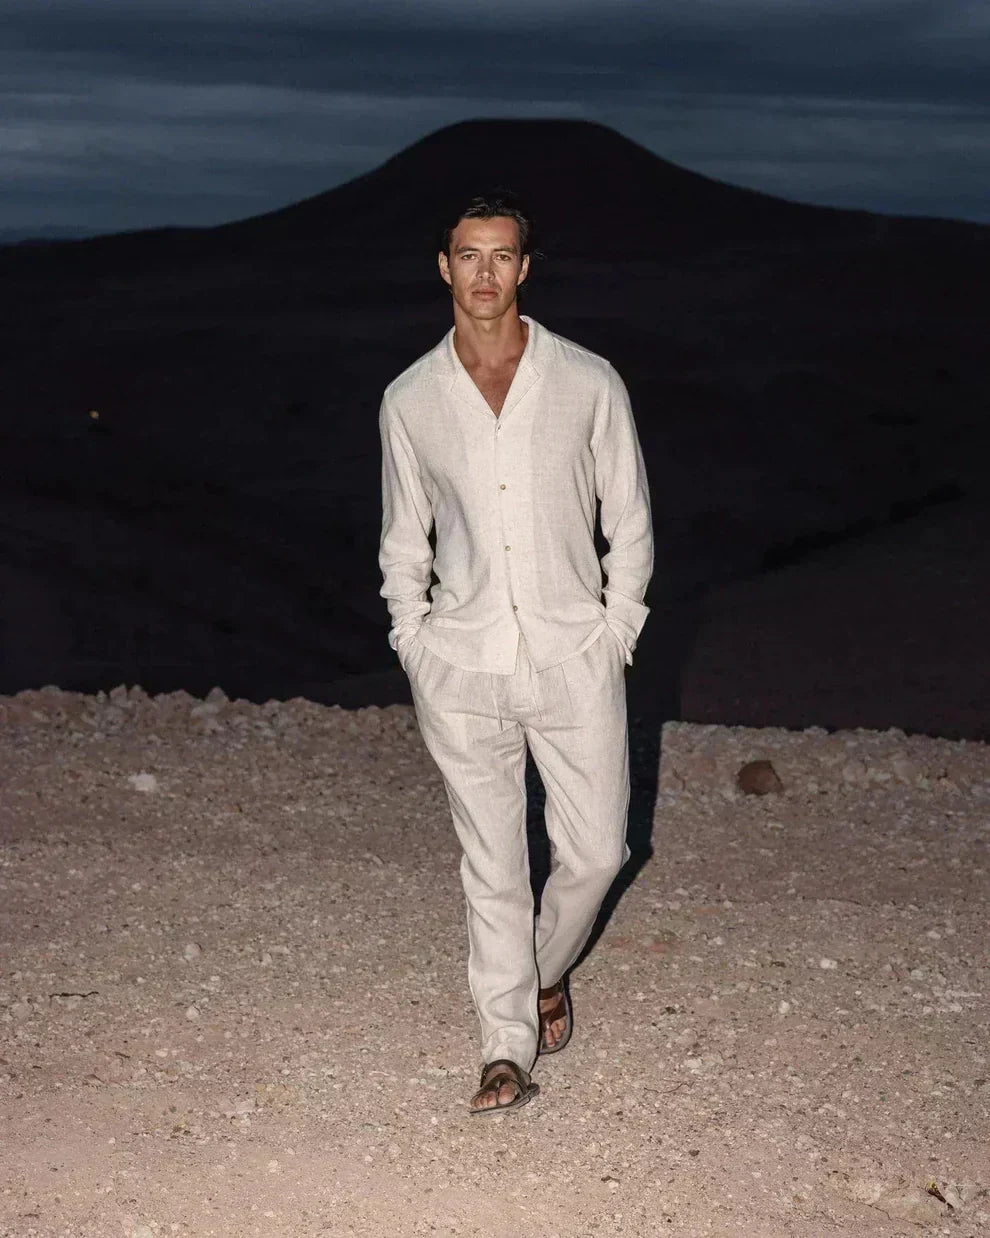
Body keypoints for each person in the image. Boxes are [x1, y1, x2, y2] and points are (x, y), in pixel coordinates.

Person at [378, 193, 653, 1114]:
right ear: (444, 267)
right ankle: (504, 1048)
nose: (486, 272)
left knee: (598, 852)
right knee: (492, 867)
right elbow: (403, 540)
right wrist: (414, 642)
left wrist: (616, 630)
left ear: (525, 269)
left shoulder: (587, 382)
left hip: (575, 657)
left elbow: (630, 519)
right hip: (463, 665)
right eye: (470, 255)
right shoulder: (411, 398)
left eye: (502, 256)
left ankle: (543, 969)